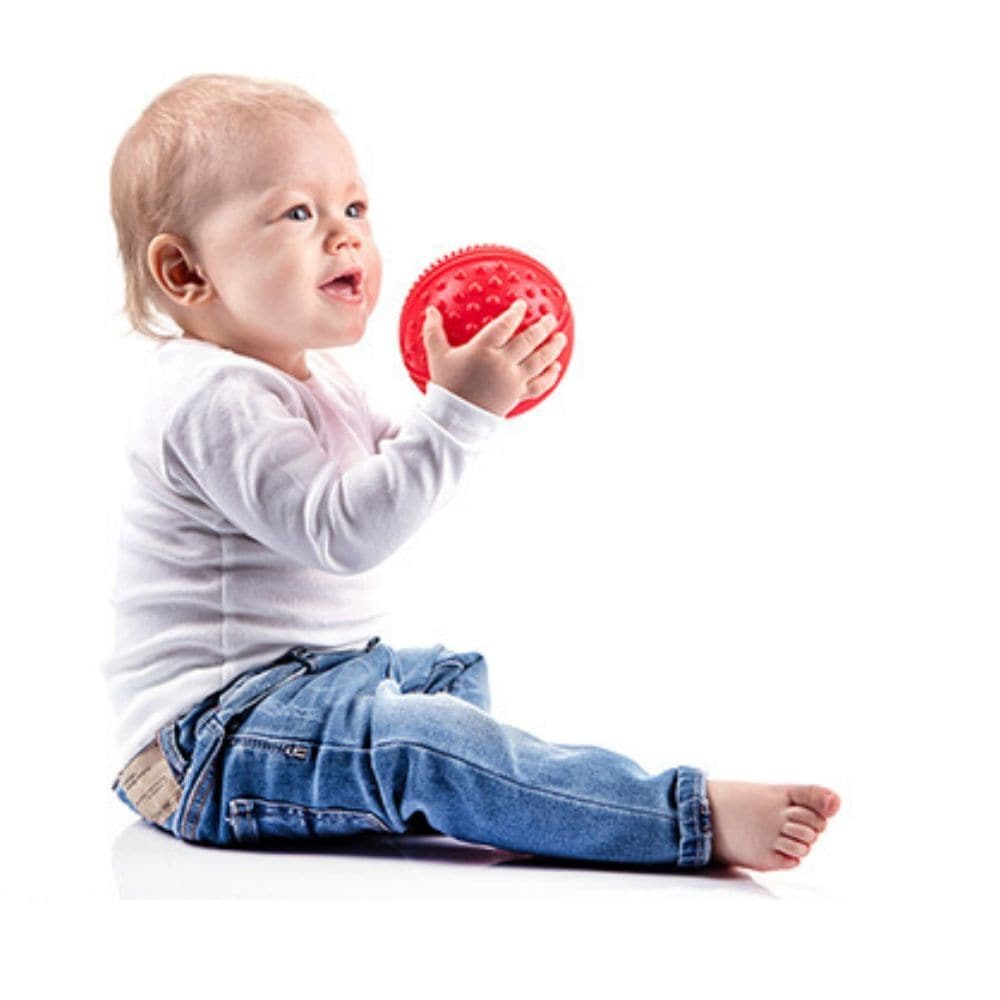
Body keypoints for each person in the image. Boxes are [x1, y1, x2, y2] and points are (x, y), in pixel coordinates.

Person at [103, 73, 840, 871]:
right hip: (216, 740)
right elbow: (349, 533)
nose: (346, 237)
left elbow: (395, 478)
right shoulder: (212, 396)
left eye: (354, 209)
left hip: (315, 684)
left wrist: (466, 397)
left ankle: (429, 780)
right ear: (186, 273)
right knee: (434, 741)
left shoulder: (307, 375)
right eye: (298, 213)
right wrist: (457, 414)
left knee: (453, 676)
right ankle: (682, 817)